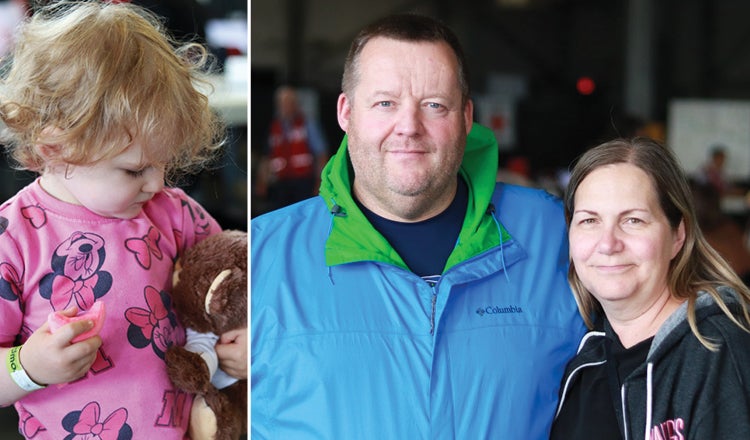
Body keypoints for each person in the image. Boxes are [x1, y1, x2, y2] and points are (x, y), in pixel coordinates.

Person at [252, 13, 586, 439]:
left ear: (466, 117)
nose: (408, 127)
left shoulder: (557, 235)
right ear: (346, 113)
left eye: (434, 105)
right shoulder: (262, 256)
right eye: (385, 103)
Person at [0, 2, 242, 438]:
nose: (158, 183)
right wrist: (29, 367)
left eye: (162, 164)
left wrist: (242, 340)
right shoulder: (12, 239)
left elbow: (235, 284)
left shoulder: (173, 212)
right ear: (56, 148)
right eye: (134, 170)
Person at [550, 137, 750, 439]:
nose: (608, 244)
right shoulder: (584, 365)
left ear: (677, 235)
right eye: (589, 220)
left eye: (633, 220)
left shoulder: (717, 351)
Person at [255, 85, 328, 210]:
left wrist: (321, 182)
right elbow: (267, 156)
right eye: (282, 103)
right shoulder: (274, 127)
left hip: (303, 182)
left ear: (296, 104)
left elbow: (321, 154)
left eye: (289, 102)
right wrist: (262, 181)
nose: (286, 106)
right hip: (281, 183)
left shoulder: (307, 124)